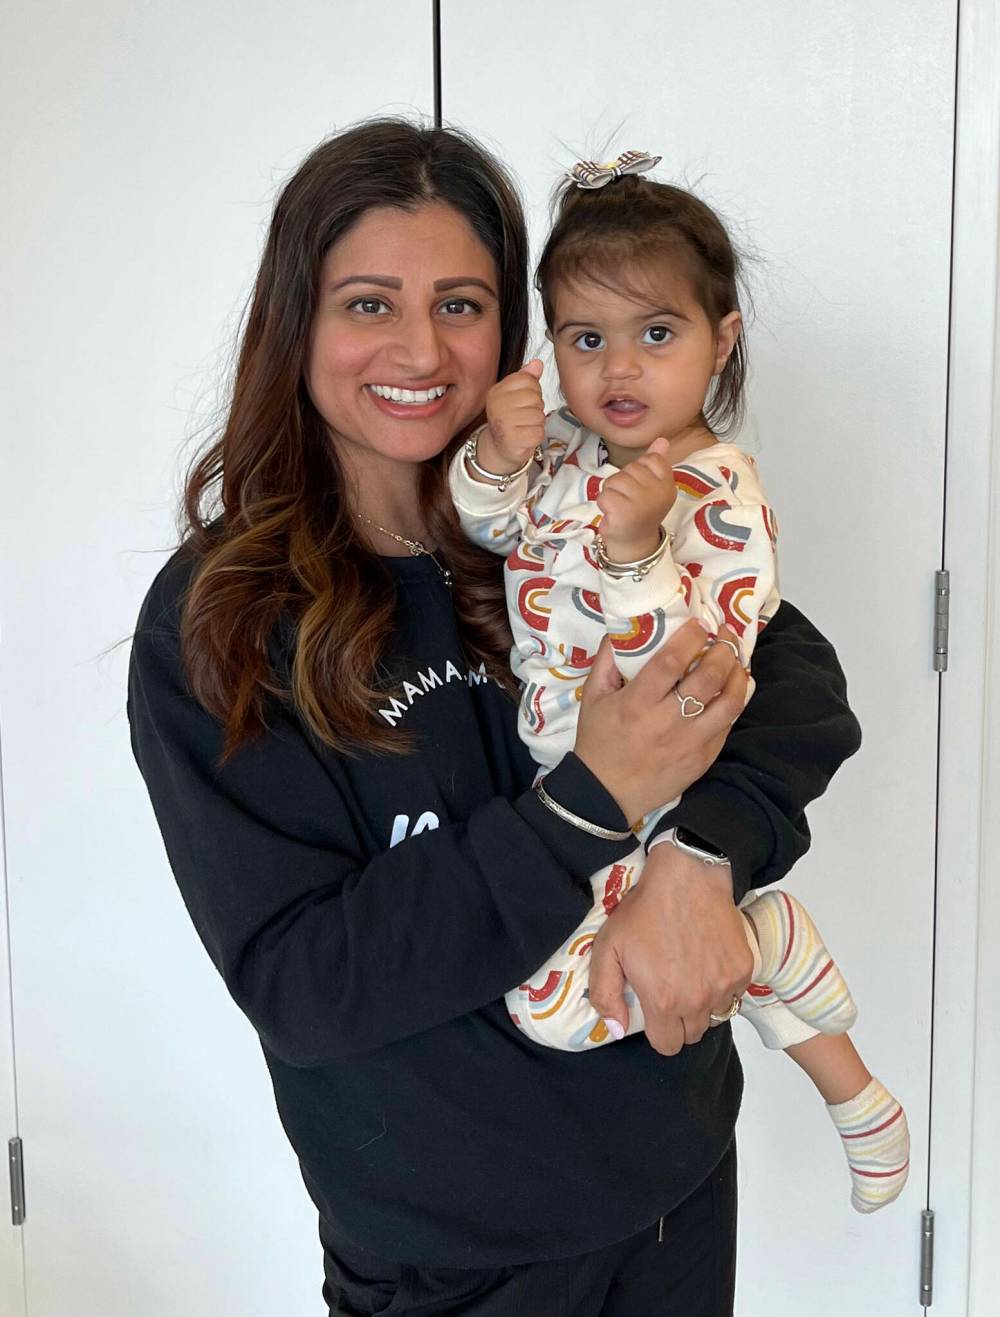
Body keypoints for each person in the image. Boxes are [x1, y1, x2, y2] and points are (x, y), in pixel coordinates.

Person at [128, 119, 863, 1317]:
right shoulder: (224, 618)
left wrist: (699, 856)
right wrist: (591, 803)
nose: (421, 348)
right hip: (451, 1261)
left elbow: (791, 685)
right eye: (369, 303)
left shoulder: (554, 522)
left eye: (461, 304)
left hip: (674, 1188)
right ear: (295, 323)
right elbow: (304, 982)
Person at [450, 152, 909, 1216]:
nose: (619, 367)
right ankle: (808, 1013)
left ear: (721, 341)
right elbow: (489, 528)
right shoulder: (567, 455)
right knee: (553, 979)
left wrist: (635, 549)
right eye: (584, 338)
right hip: (563, 776)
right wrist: (494, 457)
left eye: (656, 333)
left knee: (560, 1004)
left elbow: (697, 670)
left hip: (647, 784)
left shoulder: (719, 492)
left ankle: (789, 990)